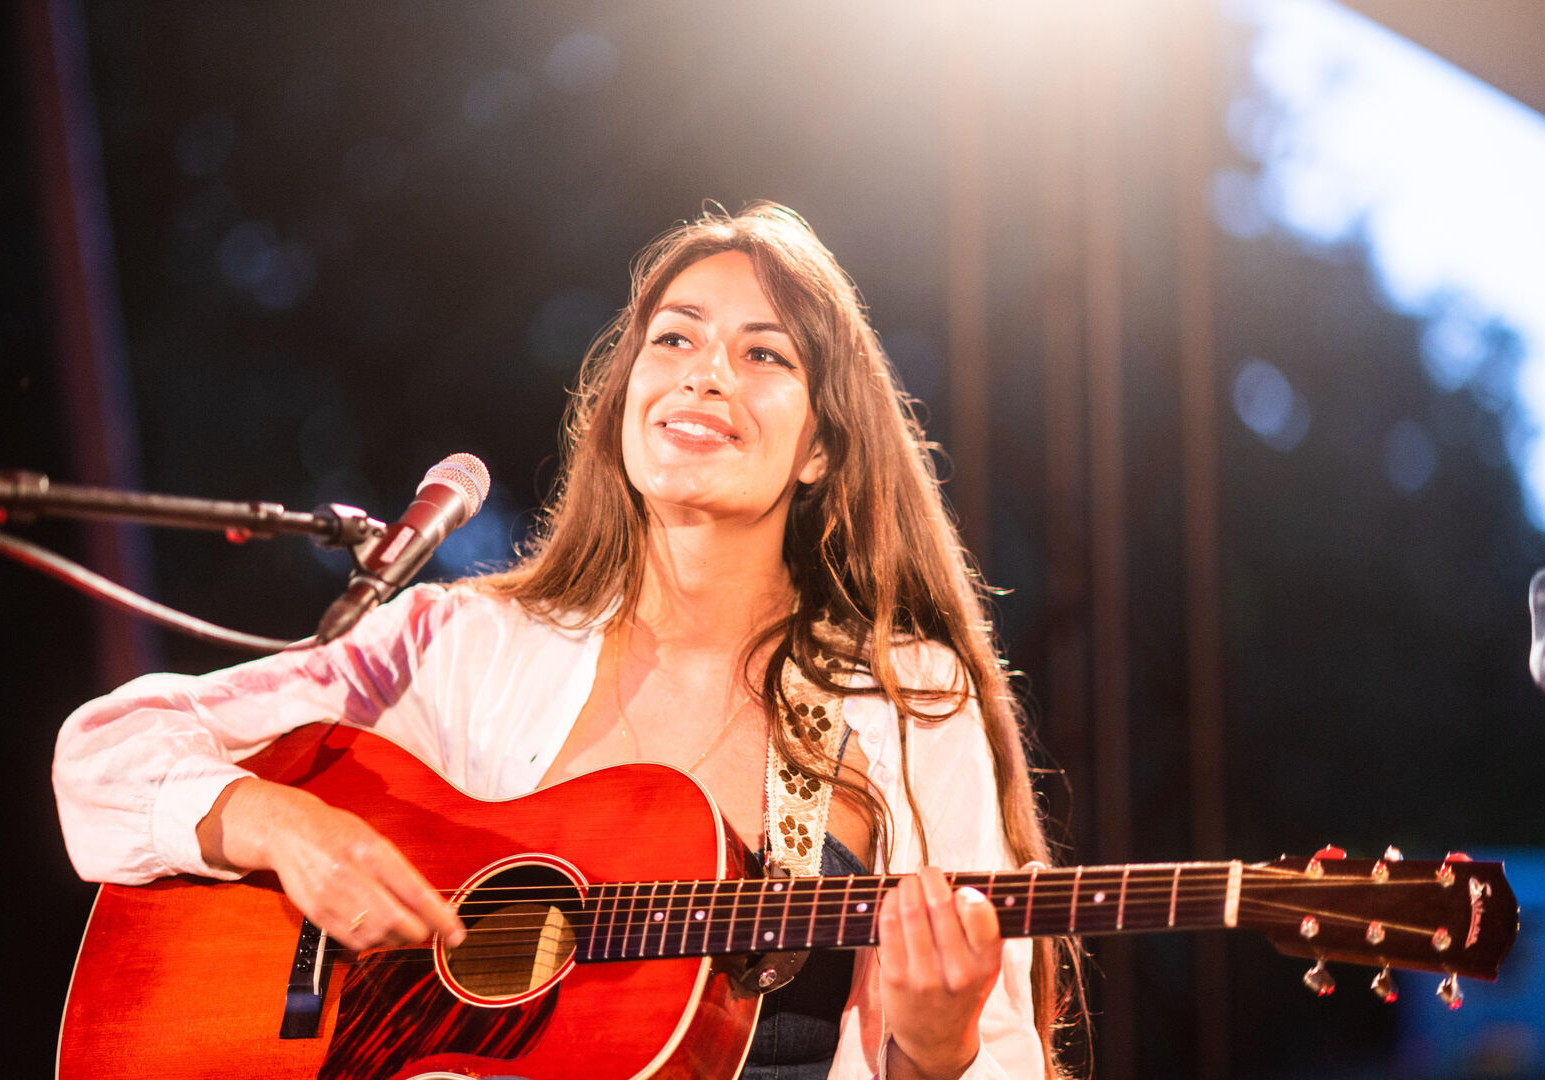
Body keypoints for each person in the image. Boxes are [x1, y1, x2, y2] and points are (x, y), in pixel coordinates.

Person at [54, 203, 1067, 1079]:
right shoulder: (466, 645)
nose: (706, 373)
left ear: (821, 448)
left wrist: (937, 1052)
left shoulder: (905, 697)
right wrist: (285, 829)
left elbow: (1009, 1051)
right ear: (626, 397)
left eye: (763, 354)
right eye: (674, 340)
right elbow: (103, 754)